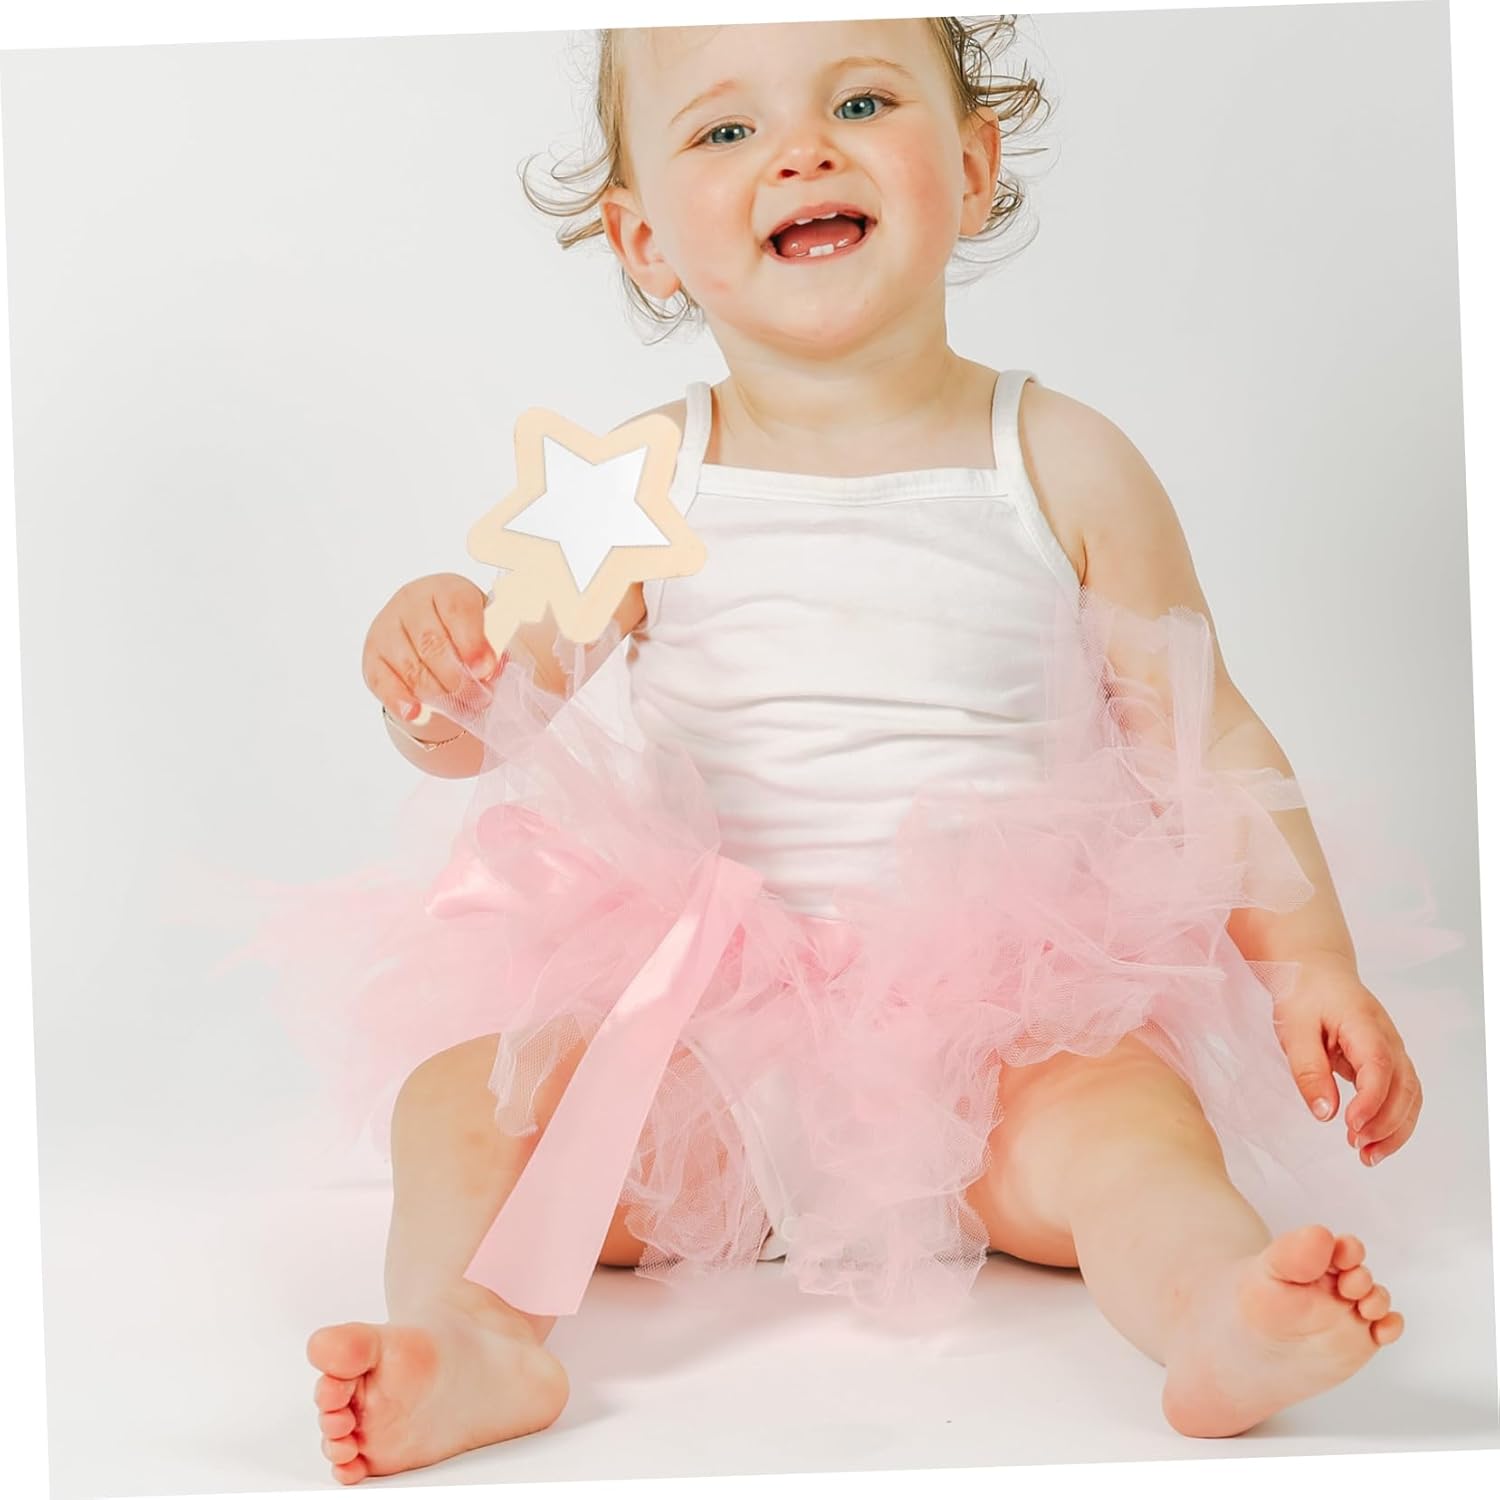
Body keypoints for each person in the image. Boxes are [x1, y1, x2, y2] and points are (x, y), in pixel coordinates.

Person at [232, 18, 1458, 1486]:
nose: (801, 151)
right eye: (725, 131)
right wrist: (429, 674)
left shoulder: (1061, 458)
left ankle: (1213, 1308)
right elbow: (495, 716)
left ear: (974, 163)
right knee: (460, 1101)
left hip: (1003, 1046)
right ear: (643, 238)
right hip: (699, 1046)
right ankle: (473, 1337)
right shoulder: (643, 478)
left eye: (863, 102)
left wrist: (1309, 960)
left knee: (1131, 1125)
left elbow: (1205, 734)